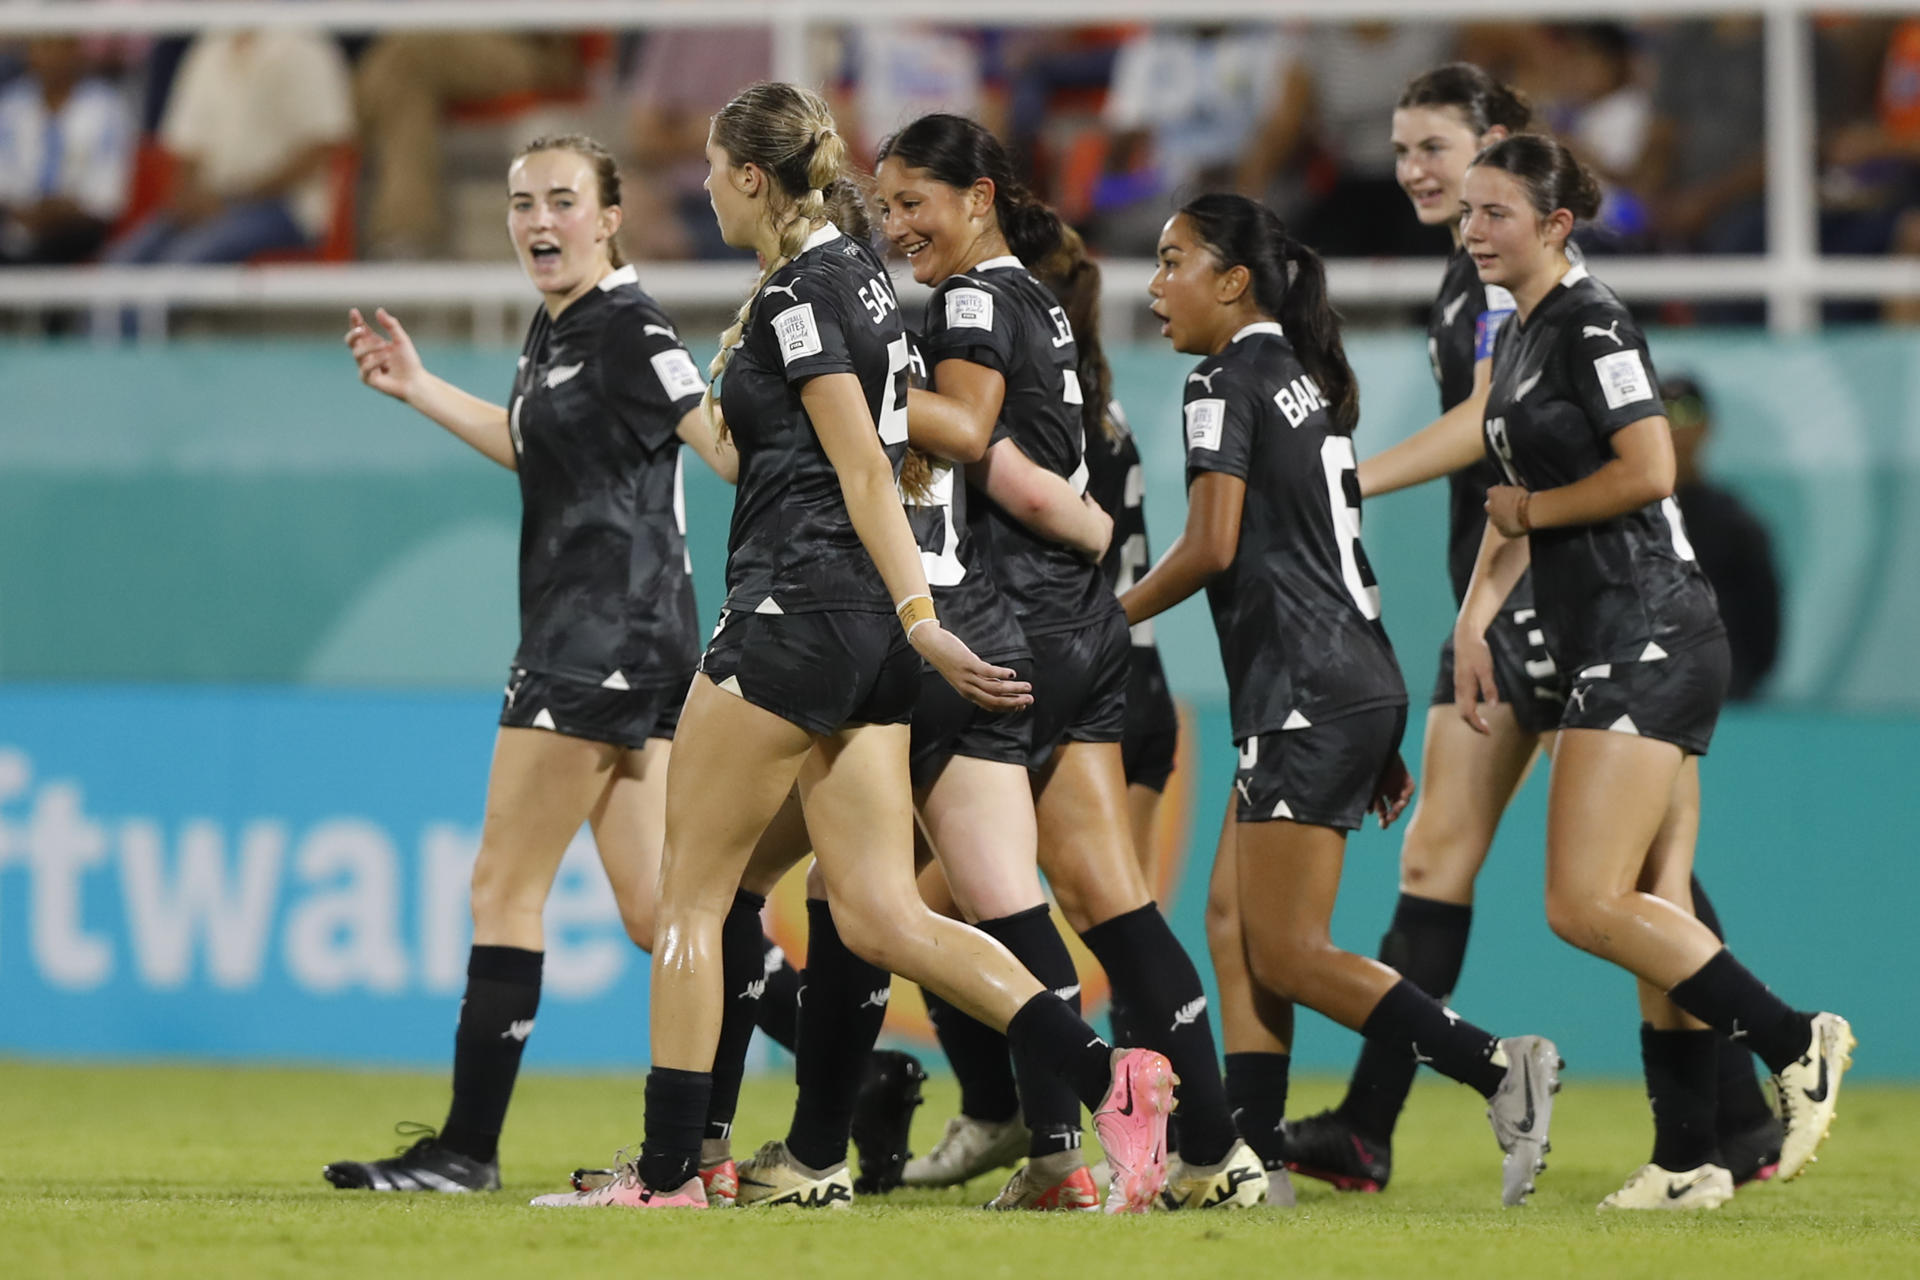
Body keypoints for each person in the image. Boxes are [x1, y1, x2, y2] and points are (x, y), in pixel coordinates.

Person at [530, 82, 1175, 1215]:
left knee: (694, 896)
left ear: (746, 176)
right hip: (868, 637)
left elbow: (868, 466)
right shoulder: (869, 277)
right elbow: (812, 449)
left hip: (797, 618)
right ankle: (1105, 1075)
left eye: (714, 173)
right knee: (881, 913)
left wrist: (927, 621)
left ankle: (676, 1171)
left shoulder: (799, 293)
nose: (705, 194)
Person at [1285, 63, 1786, 1198]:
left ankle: (1758, 1084)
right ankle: (1731, 1115)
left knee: (1614, 883)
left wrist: (1350, 480)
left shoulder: (1528, 293)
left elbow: (1485, 431)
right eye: (1403, 150)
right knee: (1495, 861)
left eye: (1437, 150)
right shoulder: (1481, 280)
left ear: (1501, 149)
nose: (1414, 171)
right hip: (1509, 599)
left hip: (1575, 604)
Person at [320, 133, 795, 1193]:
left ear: (611, 215)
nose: (541, 221)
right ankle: (861, 1080)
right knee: (658, 909)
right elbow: (540, 446)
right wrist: (420, 388)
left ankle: (465, 1149)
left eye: (564, 201)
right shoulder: (565, 326)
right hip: (629, 640)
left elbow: (719, 443)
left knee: (503, 881)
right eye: (523, 202)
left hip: (600, 641)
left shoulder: (629, 328)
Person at [1121, 191, 1564, 1209]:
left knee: (1284, 945)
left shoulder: (1223, 379)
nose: (1155, 284)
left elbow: (1211, 543)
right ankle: (1254, 1156)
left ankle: (1499, 1066)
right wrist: (1378, 726)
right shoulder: (1299, 382)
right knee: (1233, 919)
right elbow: (1331, 558)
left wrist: (1112, 617)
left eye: (1173, 259)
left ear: (1233, 281)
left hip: (1305, 688)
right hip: (1347, 680)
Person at [871, 114, 1266, 1213]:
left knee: (915, 897)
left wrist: (839, 377)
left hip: (1010, 624)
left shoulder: (967, 299)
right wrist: (1085, 533)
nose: (901, 225)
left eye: (918, 202)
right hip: (1090, 629)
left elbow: (967, 425)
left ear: (981, 196)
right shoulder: (1040, 298)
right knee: (1104, 891)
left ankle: (1033, 1131)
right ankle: (1213, 1149)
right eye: (887, 205)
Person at [1458, 133, 1852, 1208]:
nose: (1473, 229)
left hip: (1652, 628)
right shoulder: (1525, 328)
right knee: (1653, 900)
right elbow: (1514, 495)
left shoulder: (1591, 320)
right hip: (1614, 630)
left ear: (1555, 224)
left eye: (1496, 212)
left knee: (1583, 901)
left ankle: (1793, 1037)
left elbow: (1650, 467)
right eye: (1468, 212)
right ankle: (1691, 1159)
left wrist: (1530, 512)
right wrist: (1473, 616)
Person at [106, 28, 351, 264]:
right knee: (122, 262)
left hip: (285, 209)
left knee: (184, 261)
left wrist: (240, 197)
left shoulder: (305, 45)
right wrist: (190, 196)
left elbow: (323, 143)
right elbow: (187, 142)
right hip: (214, 203)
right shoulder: (208, 49)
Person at [1662, 376, 1782, 701]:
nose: (1676, 427)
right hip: (1642, 691)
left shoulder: (1736, 524)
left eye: (1688, 412)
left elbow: (1763, 627)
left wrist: (1734, 679)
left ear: (1708, 427)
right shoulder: (1621, 521)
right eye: (1664, 413)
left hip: (1723, 695)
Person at [0, 37, 133, 265]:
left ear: (76, 52)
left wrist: (58, 211)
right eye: (42, 47)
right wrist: (26, 210)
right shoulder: (11, 104)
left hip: (78, 223)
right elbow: (5, 179)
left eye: (59, 47)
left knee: (40, 248)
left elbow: (106, 196)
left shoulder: (105, 107)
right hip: (18, 215)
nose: (50, 58)